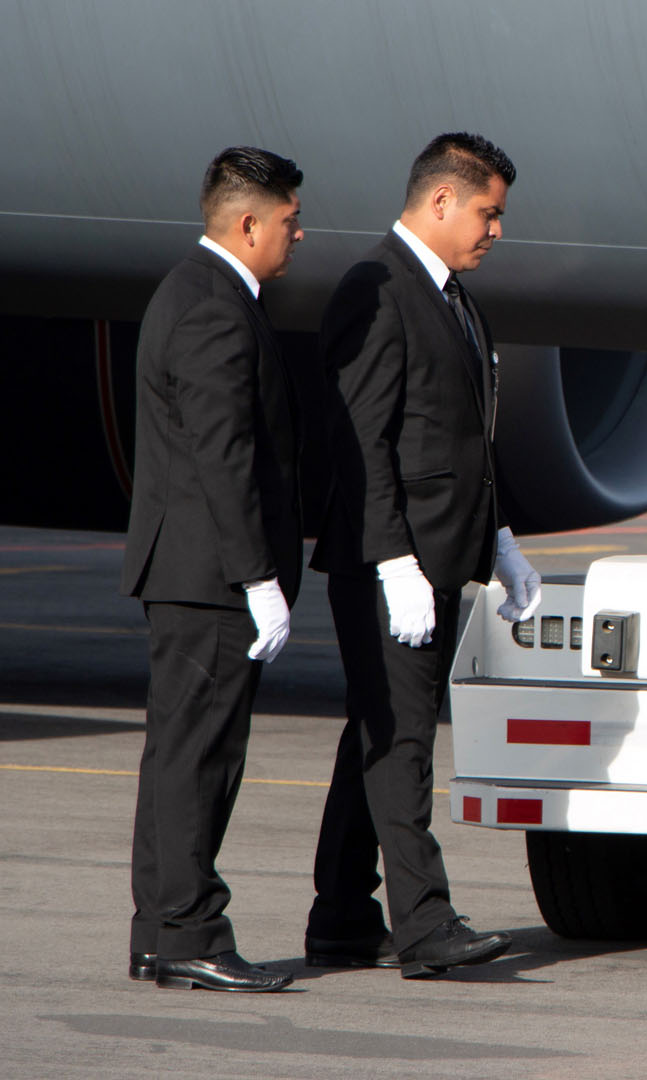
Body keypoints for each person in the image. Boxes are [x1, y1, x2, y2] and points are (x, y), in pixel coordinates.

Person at [306, 132, 542, 979]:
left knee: (374, 735)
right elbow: (359, 440)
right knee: (402, 740)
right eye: (488, 212)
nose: (496, 230)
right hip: (392, 565)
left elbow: (463, 435)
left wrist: (500, 538)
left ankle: (342, 915)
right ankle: (425, 924)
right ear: (441, 201)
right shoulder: (377, 290)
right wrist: (392, 560)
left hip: (439, 554)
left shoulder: (452, 297)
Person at [121, 147, 306, 992]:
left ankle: (160, 932)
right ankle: (191, 931)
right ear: (248, 223)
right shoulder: (213, 308)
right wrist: (257, 578)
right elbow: (223, 456)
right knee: (202, 760)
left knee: (176, 756)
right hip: (209, 577)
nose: (298, 235)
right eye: (289, 221)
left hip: (191, 570)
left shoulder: (197, 293)